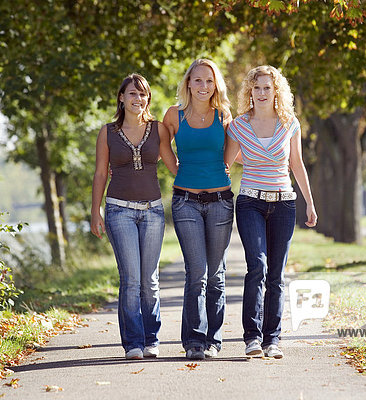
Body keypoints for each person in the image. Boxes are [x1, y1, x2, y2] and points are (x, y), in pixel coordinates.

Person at [225, 65, 317, 359]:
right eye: (257, 88)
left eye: (267, 87)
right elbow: (226, 163)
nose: (262, 93)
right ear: (249, 92)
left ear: (276, 91)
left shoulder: (290, 123)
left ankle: (272, 339)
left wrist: (310, 203)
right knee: (258, 268)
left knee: (276, 275)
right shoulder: (238, 126)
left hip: (284, 204)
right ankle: (252, 337)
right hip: (250, 201)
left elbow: (297, 165)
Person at [91, 73, 177, 360]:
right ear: (121, 97)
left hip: (153, 210)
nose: (137, 99)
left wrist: (208, 175)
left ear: (147, 99)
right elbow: (101, 172)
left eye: (142, 94)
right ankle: (133, 344)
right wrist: (95, 211)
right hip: (118, 210)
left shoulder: (158, 129)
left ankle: (151, 339)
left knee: (149, 280)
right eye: (132, 94)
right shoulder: (108, 132)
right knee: (130, 279)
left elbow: (173, 164)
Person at [162, 59, 233, 360]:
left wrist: (223, 168)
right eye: (198, 80)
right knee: (197, 272)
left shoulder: (224, 115)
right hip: (185, 202)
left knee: (216, 274)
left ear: (215, 85)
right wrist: (177, 170)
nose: (204, 86)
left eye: (209, 81)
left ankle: (213, 340)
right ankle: (194, 341)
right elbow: (163, 147)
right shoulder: (173, 115)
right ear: (188, 83)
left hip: (220, 202)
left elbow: (231, 154)